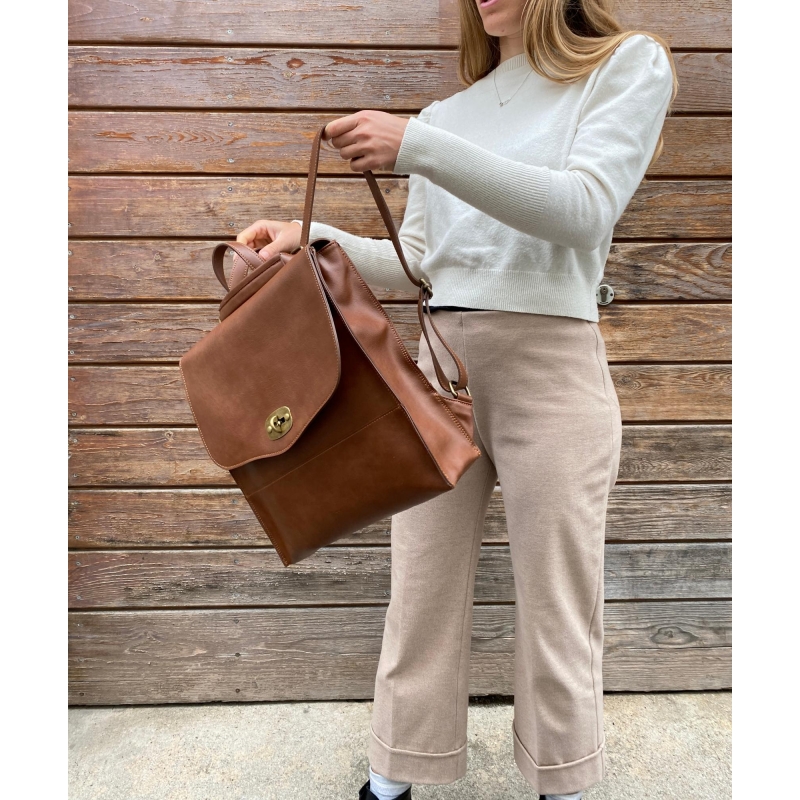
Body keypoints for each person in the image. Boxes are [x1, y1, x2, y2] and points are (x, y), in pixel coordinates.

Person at [237, 1, 678, 797]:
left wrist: (417, 147)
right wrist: (317, 239)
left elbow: (584, 211)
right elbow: (420, 262)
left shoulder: (624, 64)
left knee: (558, 596)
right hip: (439, 367)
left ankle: (564, 780)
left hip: (553, 368)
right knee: (421, 587)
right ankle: (393, 773)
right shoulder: (448, 114)